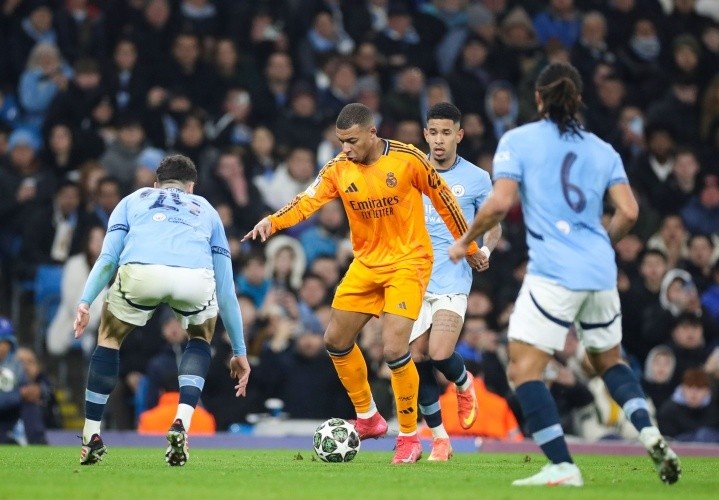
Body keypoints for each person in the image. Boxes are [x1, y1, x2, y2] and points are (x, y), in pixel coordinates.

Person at [448, 62, 682, 486]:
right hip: (600, 270)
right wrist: (601, 244)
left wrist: (464, 240)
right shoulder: (602, 149)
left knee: (523, 369)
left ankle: (561, 464)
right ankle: (649, 432)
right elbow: (629, 211)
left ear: (538, 98)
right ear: (578, 100)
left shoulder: (518, 140)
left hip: (553, 271)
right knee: (609, 360)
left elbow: (499, 203)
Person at [243, 103, 485, 464]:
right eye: (341, 141)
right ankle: (369, 416)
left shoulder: (408, 159)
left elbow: (446, 203)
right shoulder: (338, 168)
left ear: (372, 134)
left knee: (394, 349)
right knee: (335, 340)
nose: (346, 148)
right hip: (366, 264)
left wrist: (471, 248)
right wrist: (272, 221)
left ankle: (409, 437)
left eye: (352, 141)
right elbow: (307, 201)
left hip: (408, 263)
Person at [72, 154, 250, 466]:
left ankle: (91, 435)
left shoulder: (133, 199)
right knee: (200, 338)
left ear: (156, 185)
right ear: (191, 187)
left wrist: (85, 301)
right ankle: (182, 422)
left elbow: (108, 258)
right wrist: (239, 351)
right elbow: (226, 291)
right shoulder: (207, 209)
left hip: (142, 272)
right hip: (193, 279)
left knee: (109, 338)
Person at [408, 102, 501, 461]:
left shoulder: (477, 178)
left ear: (459, 135)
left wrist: (485, 251)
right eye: (433, 132)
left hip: (453, 278)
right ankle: (439, 438)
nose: (439, 139)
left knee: (439, 353)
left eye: (446, 132)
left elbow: (493, 224)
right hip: (414, 278)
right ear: (425, 134)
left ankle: (464, 383)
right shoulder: (412, 170)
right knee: (416, 356)